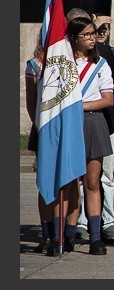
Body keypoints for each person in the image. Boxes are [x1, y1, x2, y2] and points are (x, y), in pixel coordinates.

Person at [66, 17, 114, 255]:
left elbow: (108, 99)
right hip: (69, 122)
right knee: (70, 182)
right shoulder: (65, 63)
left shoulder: (101, 65)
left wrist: (82, 106)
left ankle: (96, 236)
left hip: (93, 121)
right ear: (74, 38)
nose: (91, 39)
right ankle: (68, 233)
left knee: (92, 182)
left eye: (92, 34)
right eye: (85, 35)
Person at [76, 13, 114, 242]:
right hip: (74, 123)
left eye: (99, 32)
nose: (96, 36)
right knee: (75, 179)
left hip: (101, 122)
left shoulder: (107, 58)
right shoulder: (67, 58)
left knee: (99, 178)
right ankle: (77, 224)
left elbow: (112, 94)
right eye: (90, 33)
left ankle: (102, 227)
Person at [25, 32, 56, 254]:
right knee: (46, 181)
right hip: (42, 128)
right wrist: (39, 126)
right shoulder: (35, 65)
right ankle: (47, 233)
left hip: (64, 128)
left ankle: (64, 231)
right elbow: (31, 102)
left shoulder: (71, 62)